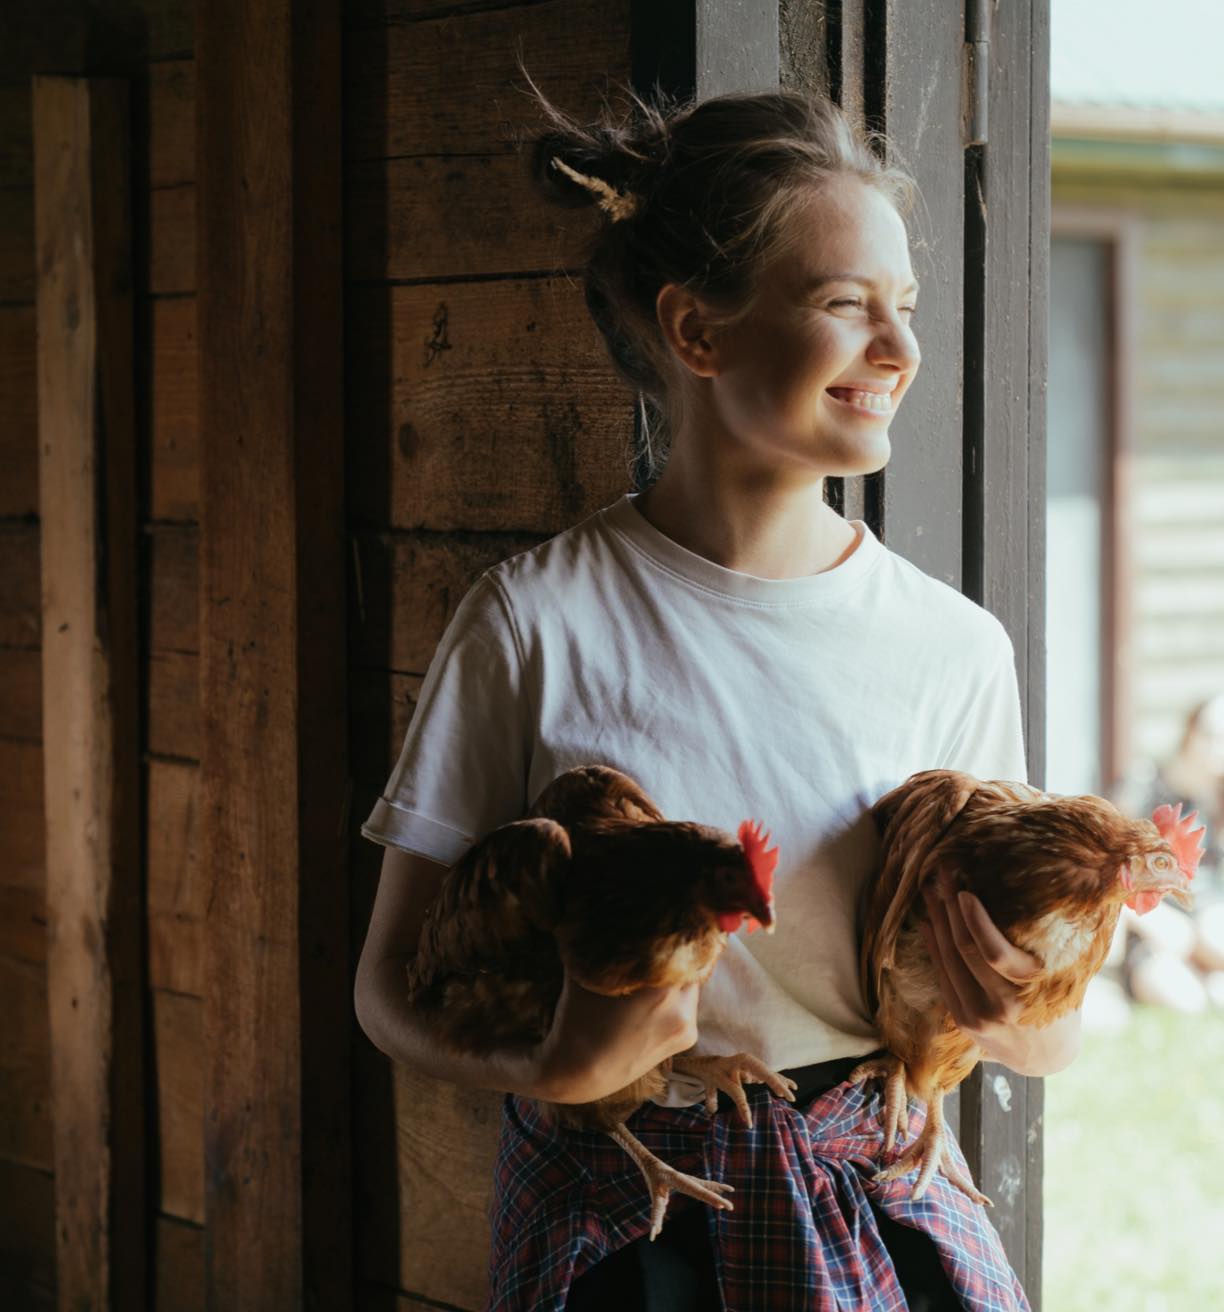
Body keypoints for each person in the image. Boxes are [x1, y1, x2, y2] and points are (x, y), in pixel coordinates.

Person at [354, 86, 1080, 1312]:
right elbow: (388, 989)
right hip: (625, 1221)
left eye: (904, 307)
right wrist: (552, 1064)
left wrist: (1021, 1010)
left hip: (876, 1207)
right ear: (697, 330)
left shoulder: (953, 647)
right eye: (846, 305)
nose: (899, 350)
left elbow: (1039, 1037)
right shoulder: (536, 622)